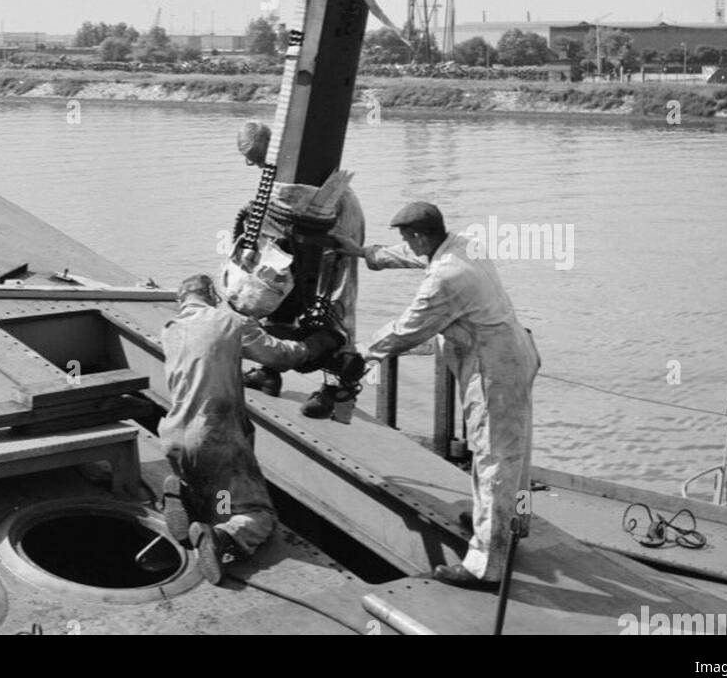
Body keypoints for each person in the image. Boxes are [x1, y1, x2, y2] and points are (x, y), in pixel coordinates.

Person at [339, 201, 540, 589]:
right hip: (515, 351)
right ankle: (513, 524)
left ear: (419, 235)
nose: (406, 244)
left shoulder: (447, 278)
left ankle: (486, 565)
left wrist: (362, 352)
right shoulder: (461, 244)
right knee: (515, 451)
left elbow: (408, 328)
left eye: (406, 238)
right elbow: (417, 257)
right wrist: (366, 253)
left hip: (494, 370)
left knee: (493, 457)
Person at [158, 273, 336, 583]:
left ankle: (185, 493)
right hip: (215, 438)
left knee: (217, 493)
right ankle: (222, 538)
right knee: (257, 514)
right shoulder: (230, 321)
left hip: (174, 436)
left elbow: (208, 356)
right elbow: (280, 356)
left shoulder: (170, 330)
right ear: (214, 295)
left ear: (180, 301)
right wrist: (319, 342)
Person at [235, 120, 366, 418]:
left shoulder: (299, 166)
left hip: (335, 222)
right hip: (302, 226)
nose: (251, 165)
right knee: (276, 289)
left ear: (272, 146)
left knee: (336, 301)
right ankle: (268, 371)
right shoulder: (278, 173)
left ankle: (337, 387)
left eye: (256, 159)